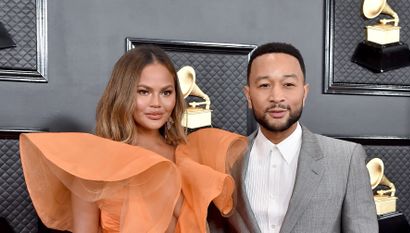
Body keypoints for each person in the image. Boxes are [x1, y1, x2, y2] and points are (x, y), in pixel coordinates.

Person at [19, 45, 247, 233]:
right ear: (123, 94)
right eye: (144, 92)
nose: (157, 103)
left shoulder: (191, 154)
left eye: (166, 92)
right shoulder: (93, 164)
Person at [208, 42, 378, 233]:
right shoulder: (223, 159)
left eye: (288, 84)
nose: (277, 97)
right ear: (248, 95)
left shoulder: (346, 159)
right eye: (264, 85)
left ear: (304, 93)